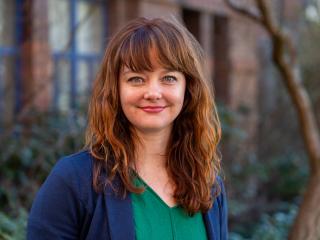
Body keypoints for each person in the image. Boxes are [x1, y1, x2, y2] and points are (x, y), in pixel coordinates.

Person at [27, 17, 228, 240]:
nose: (153, 92)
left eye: (169, 78)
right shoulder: (74, 181)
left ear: (188, 89)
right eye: (136, 79)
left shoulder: (207, 184)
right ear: (116, 89)